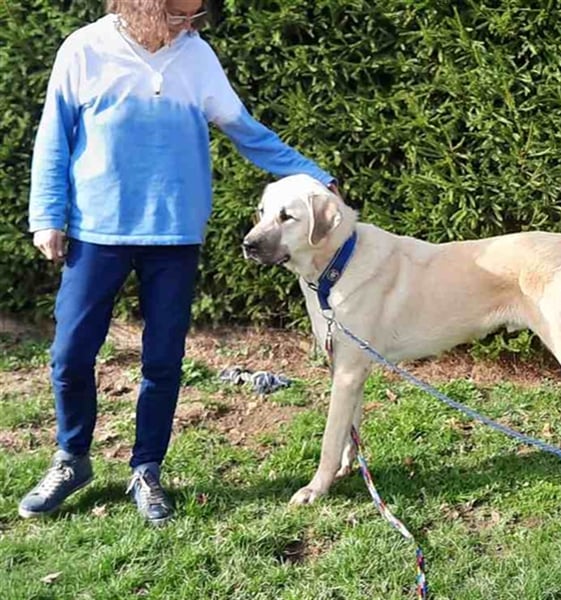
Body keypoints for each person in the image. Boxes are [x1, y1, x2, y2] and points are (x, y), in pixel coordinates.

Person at [21, 0, 337, 525]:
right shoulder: (84, 49)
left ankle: (147, 469)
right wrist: (47, 216)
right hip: (97, 231)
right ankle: (71, 458)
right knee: (70, 354)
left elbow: (249, 134)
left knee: (163, 361)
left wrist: (315, 175)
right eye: (176, 14)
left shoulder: (197, 58)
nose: (186, 26)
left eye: (194, 16)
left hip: (174, 234)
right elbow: (53, 138)